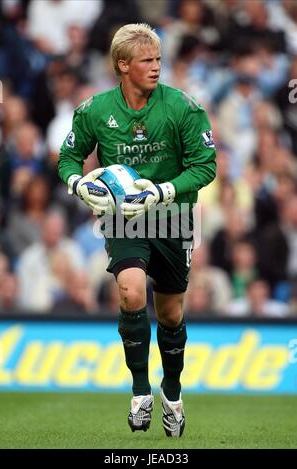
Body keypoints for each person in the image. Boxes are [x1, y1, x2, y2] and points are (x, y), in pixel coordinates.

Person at [58, 23, 216, 437]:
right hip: (124, 217)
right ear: (122, 65)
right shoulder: (95, 110)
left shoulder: (183, 107)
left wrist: (163, 191)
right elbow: (68, 158)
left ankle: (173, 393)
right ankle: (140, 391)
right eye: (147, 61)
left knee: (170, 313)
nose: (156, 67)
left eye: (159, 59)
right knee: (130, 291)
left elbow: (206, 166)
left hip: (173, 216)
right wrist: (79, 184)